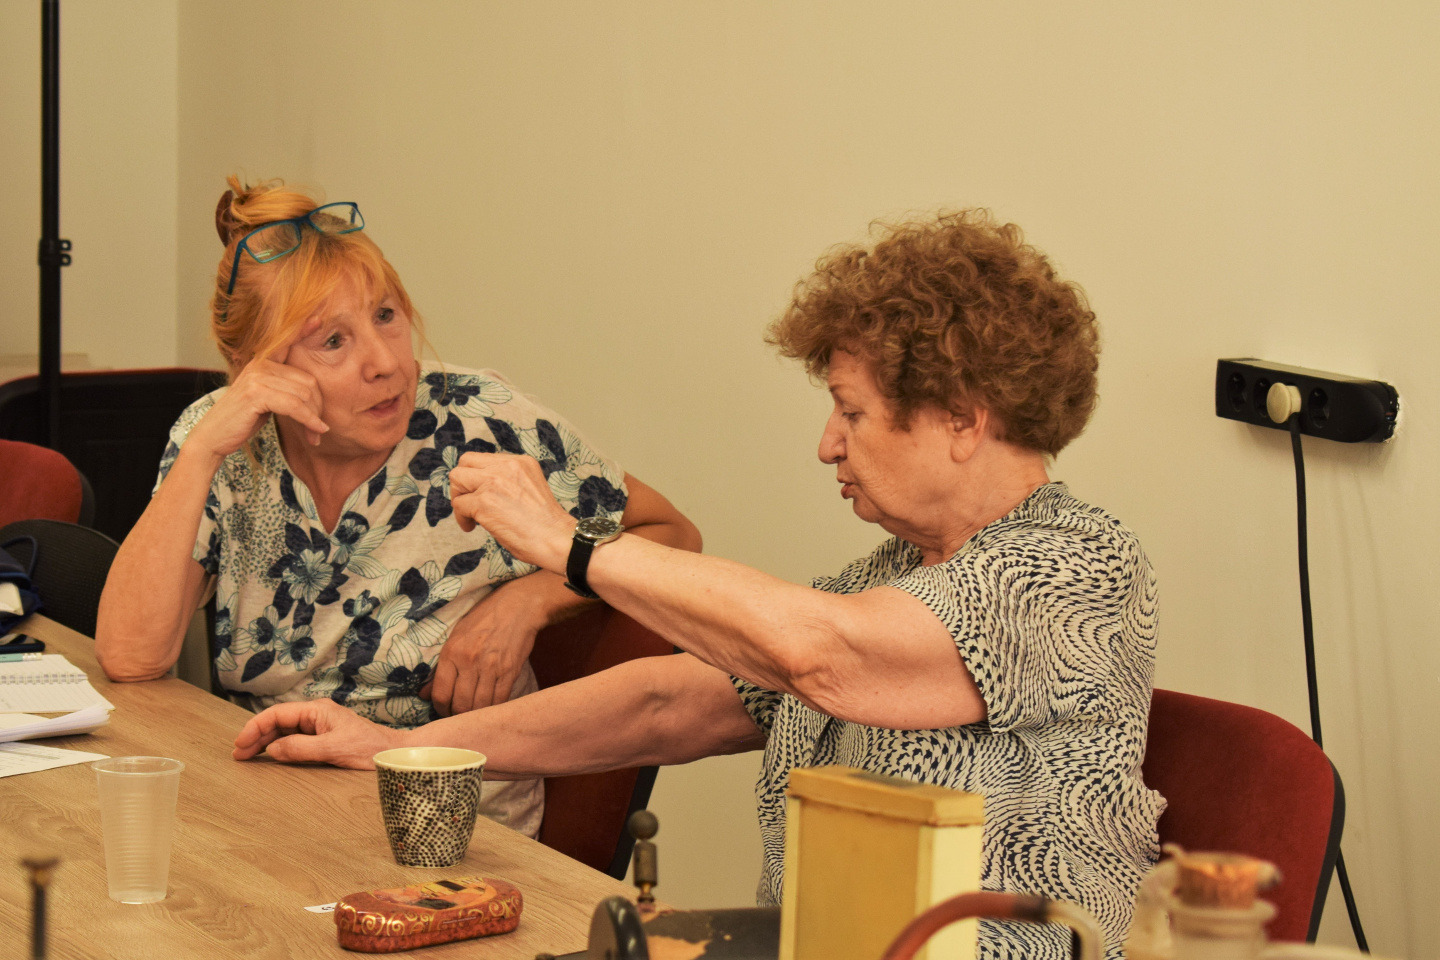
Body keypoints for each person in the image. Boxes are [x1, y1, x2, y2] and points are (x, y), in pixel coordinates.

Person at [232, 209, 1162, 960]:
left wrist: (568, 545)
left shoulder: (1075, 568)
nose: (828, 444)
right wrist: (404, 750)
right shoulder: (890, 575)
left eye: (851, 413)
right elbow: (666, 704)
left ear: (961, 418)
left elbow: (828, 656)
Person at [95, 177, 701, 838]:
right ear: (254, 369)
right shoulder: (222, 441)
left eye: (386, 316)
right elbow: (130, 658)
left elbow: (667, 531)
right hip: (269, 797)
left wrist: (528, 602)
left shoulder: (478, 419)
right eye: (333, 341)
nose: (385, 362)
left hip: (442, 811)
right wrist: (203, 449)